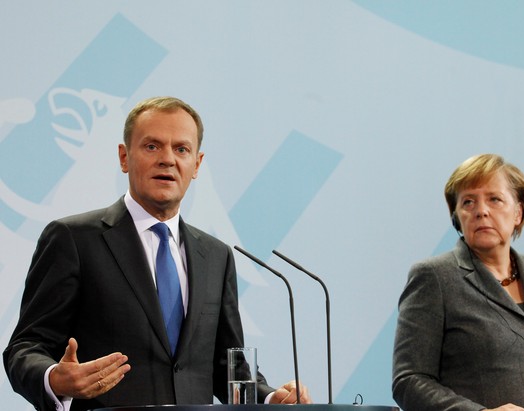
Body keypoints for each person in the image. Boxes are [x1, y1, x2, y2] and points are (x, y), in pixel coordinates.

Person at [3, 96, 311, 411]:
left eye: (181, 149)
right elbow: (24, 348)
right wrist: (55, 378)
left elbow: (226, 366)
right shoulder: (74, 239)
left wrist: (273, 398)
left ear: (197, 164)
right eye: (152, 146)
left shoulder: (216, 257)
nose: (167, 159)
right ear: (124, 157)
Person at [392, 154, 524, 411]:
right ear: (457, 217)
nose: (481, 211)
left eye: (494, 199)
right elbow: (409, 381)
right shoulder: (434, 277)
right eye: (468, 202)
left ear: (518, 212)